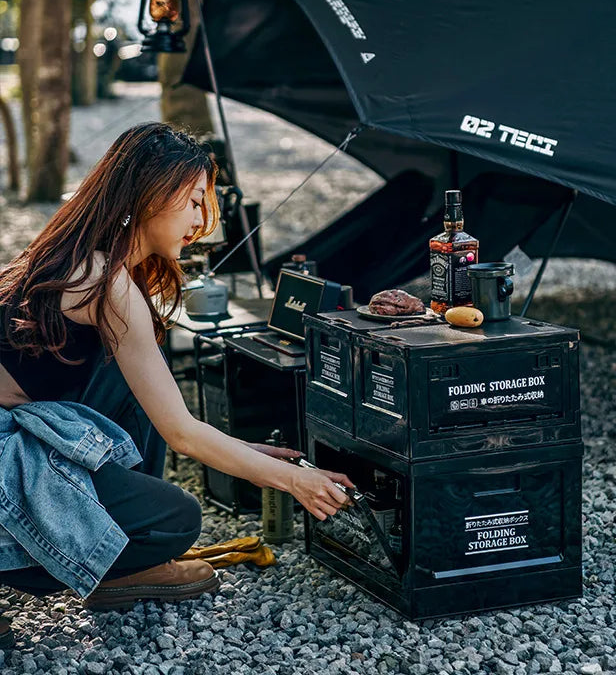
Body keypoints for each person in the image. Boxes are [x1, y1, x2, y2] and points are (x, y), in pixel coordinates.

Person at [0, 123, 353, 629]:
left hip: (26, 426)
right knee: (176, 520)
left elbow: (164, 408)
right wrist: (297, 481)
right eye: (193, 202)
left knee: (140, 366)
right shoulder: (100, 280)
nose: (201, 221)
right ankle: (89, 562)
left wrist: (244, 451)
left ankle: (125, 564)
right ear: (149, 196)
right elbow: (181, 434)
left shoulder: (85, 257)